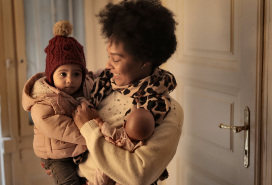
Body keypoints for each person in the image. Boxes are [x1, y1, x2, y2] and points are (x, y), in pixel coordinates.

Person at [72, 0, 184, 185]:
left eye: (115, 59)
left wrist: (90, 127)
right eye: (108, 55)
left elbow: (138, 175)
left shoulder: (168, 111)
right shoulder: (102, 87)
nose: (108, 65)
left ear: (144, 61)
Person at [22, 20, 95, 185]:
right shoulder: (43, 103)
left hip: (76, 149)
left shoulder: (86, 86)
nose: (70, 80)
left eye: (76, 74)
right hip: (55, 156)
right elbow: (65, 129)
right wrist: (94, 135)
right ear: (51, 75)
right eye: (63, 74)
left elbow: (95, 76)